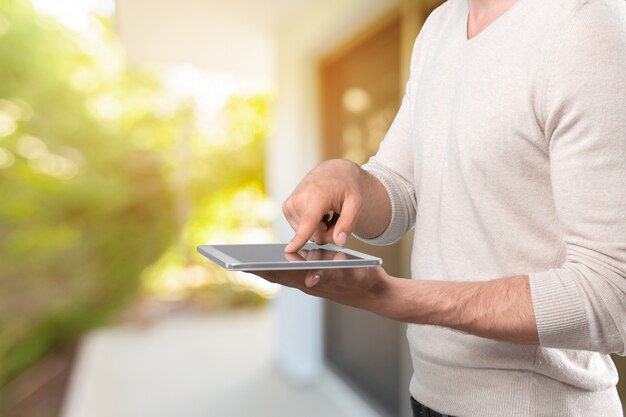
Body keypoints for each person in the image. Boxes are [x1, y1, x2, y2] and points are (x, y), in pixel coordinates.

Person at [254, 0, 626, 415]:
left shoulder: (587, 24)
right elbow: (400, 187)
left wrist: (388, 296)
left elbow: (614, 295)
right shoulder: (441, 25)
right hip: (429, 398)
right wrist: (347, 177)